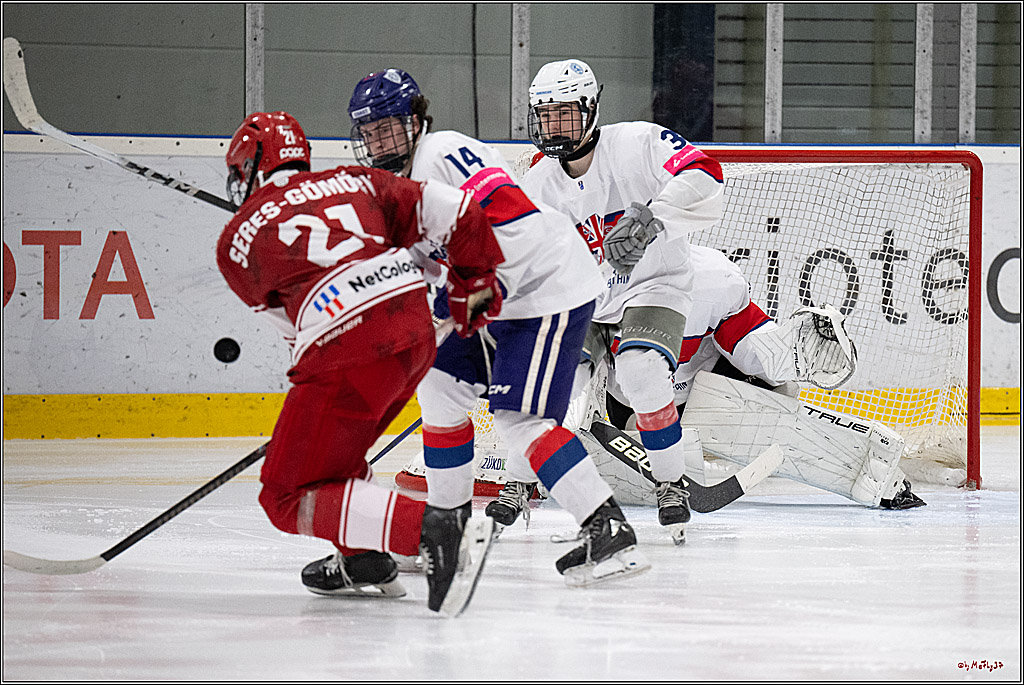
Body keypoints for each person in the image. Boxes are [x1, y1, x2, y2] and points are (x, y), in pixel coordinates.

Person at [346, 69, 650, 587]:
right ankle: (446, 533)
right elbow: (424, 272)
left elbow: (505, 220)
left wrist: (466, 292)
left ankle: (608, 529)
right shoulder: (397, 190)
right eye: (370, 132)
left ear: (416, 122)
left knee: (520, 420)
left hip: (545, 288)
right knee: (439, 387)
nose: (380, 141)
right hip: (499, 294)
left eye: (389, 128)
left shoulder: (441, 153)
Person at [215, 110, 502, 617]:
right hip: (415, 333)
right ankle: (363, 560)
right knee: (337, 461)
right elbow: (460, 211)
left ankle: (440, 529)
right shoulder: (360, 181)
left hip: (347, 348)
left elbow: (296, 335)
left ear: (254, 167)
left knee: (285, 494)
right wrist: (473, 284)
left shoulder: (236, 242)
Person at [508, 58, 727, 544]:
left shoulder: (637, 143)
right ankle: (519, 482)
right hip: (585, 300)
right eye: (546, 115)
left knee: (642, 371)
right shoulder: (537, 185)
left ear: (591, 109)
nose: (554, 126)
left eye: (566, 113)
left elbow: (705, 172)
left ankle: (670, 483)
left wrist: (654, 218)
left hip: (654, 284)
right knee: (552, 386)